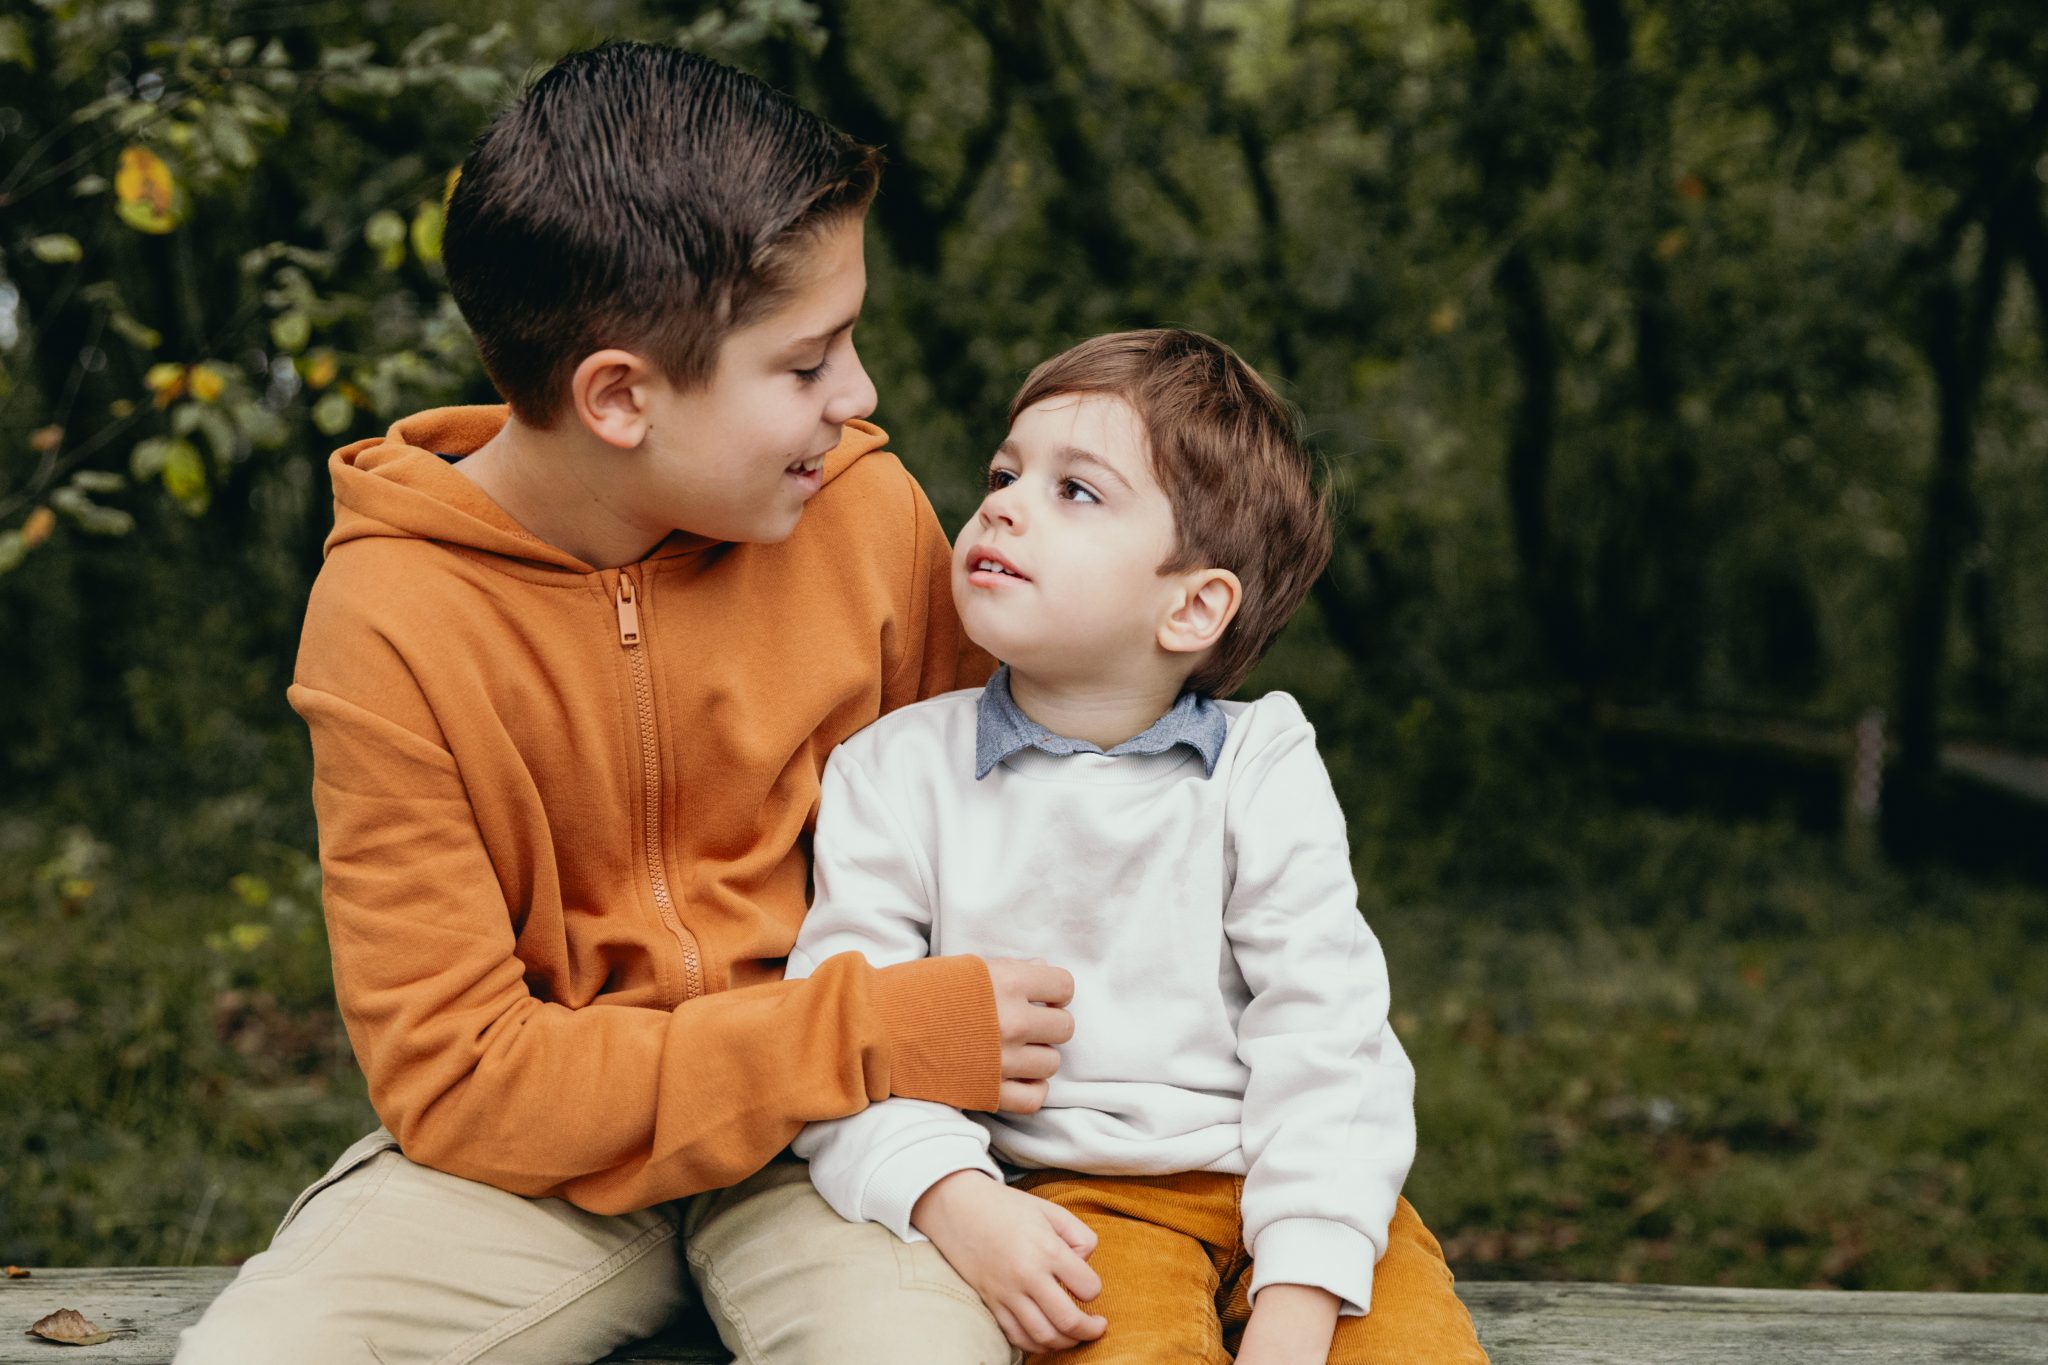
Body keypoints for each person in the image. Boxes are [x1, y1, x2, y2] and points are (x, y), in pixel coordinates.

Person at [176, 40, 1075, 1365]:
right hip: (538, 1164)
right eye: (807, 363)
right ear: (618, 398)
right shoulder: (390, 615)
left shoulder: (865, 515)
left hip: (850, 1139)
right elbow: (459, 1078)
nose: (859, 395)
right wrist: (866, 1031)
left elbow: (1007, 867)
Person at [788, 329, 1491, 1364]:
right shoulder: (893, 772)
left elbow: (1329, 1037)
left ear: (1193, 606)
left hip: (1302, 1186)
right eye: (1004, 474)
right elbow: (845, 1039)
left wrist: (1299, 1296)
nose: (1003, 506)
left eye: (1076, 490)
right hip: (1078, 1203)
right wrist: (956, 1200)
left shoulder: (1261, 765)